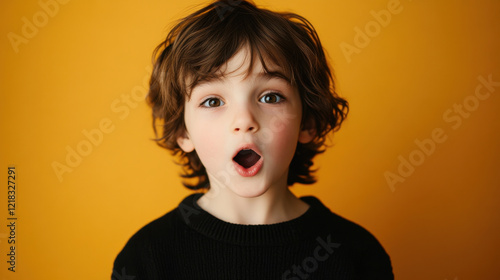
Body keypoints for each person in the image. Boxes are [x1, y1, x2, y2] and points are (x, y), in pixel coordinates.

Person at [112, 0, 394, 279]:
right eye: (212, 101)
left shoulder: (356, 255)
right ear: (183, 133)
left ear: (307, 122)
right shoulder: (146, 258)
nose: (244, 120)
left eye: (270, 97)